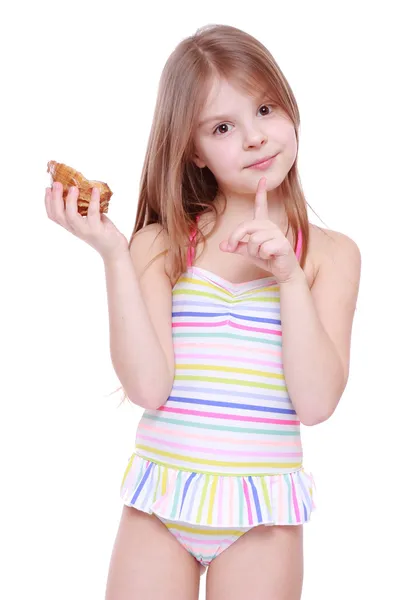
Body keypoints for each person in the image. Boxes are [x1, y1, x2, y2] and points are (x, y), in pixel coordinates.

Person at [45, 23, 361, 600]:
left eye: (265, 109)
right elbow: (148, 386)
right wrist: (115, 252)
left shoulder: (330, 255)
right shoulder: (160, 244)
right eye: (222, 126)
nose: (255, 138)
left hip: (261, 514)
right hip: (162, 505)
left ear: (290, 106)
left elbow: (316, 404)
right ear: (192, 149)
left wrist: (288, 278)